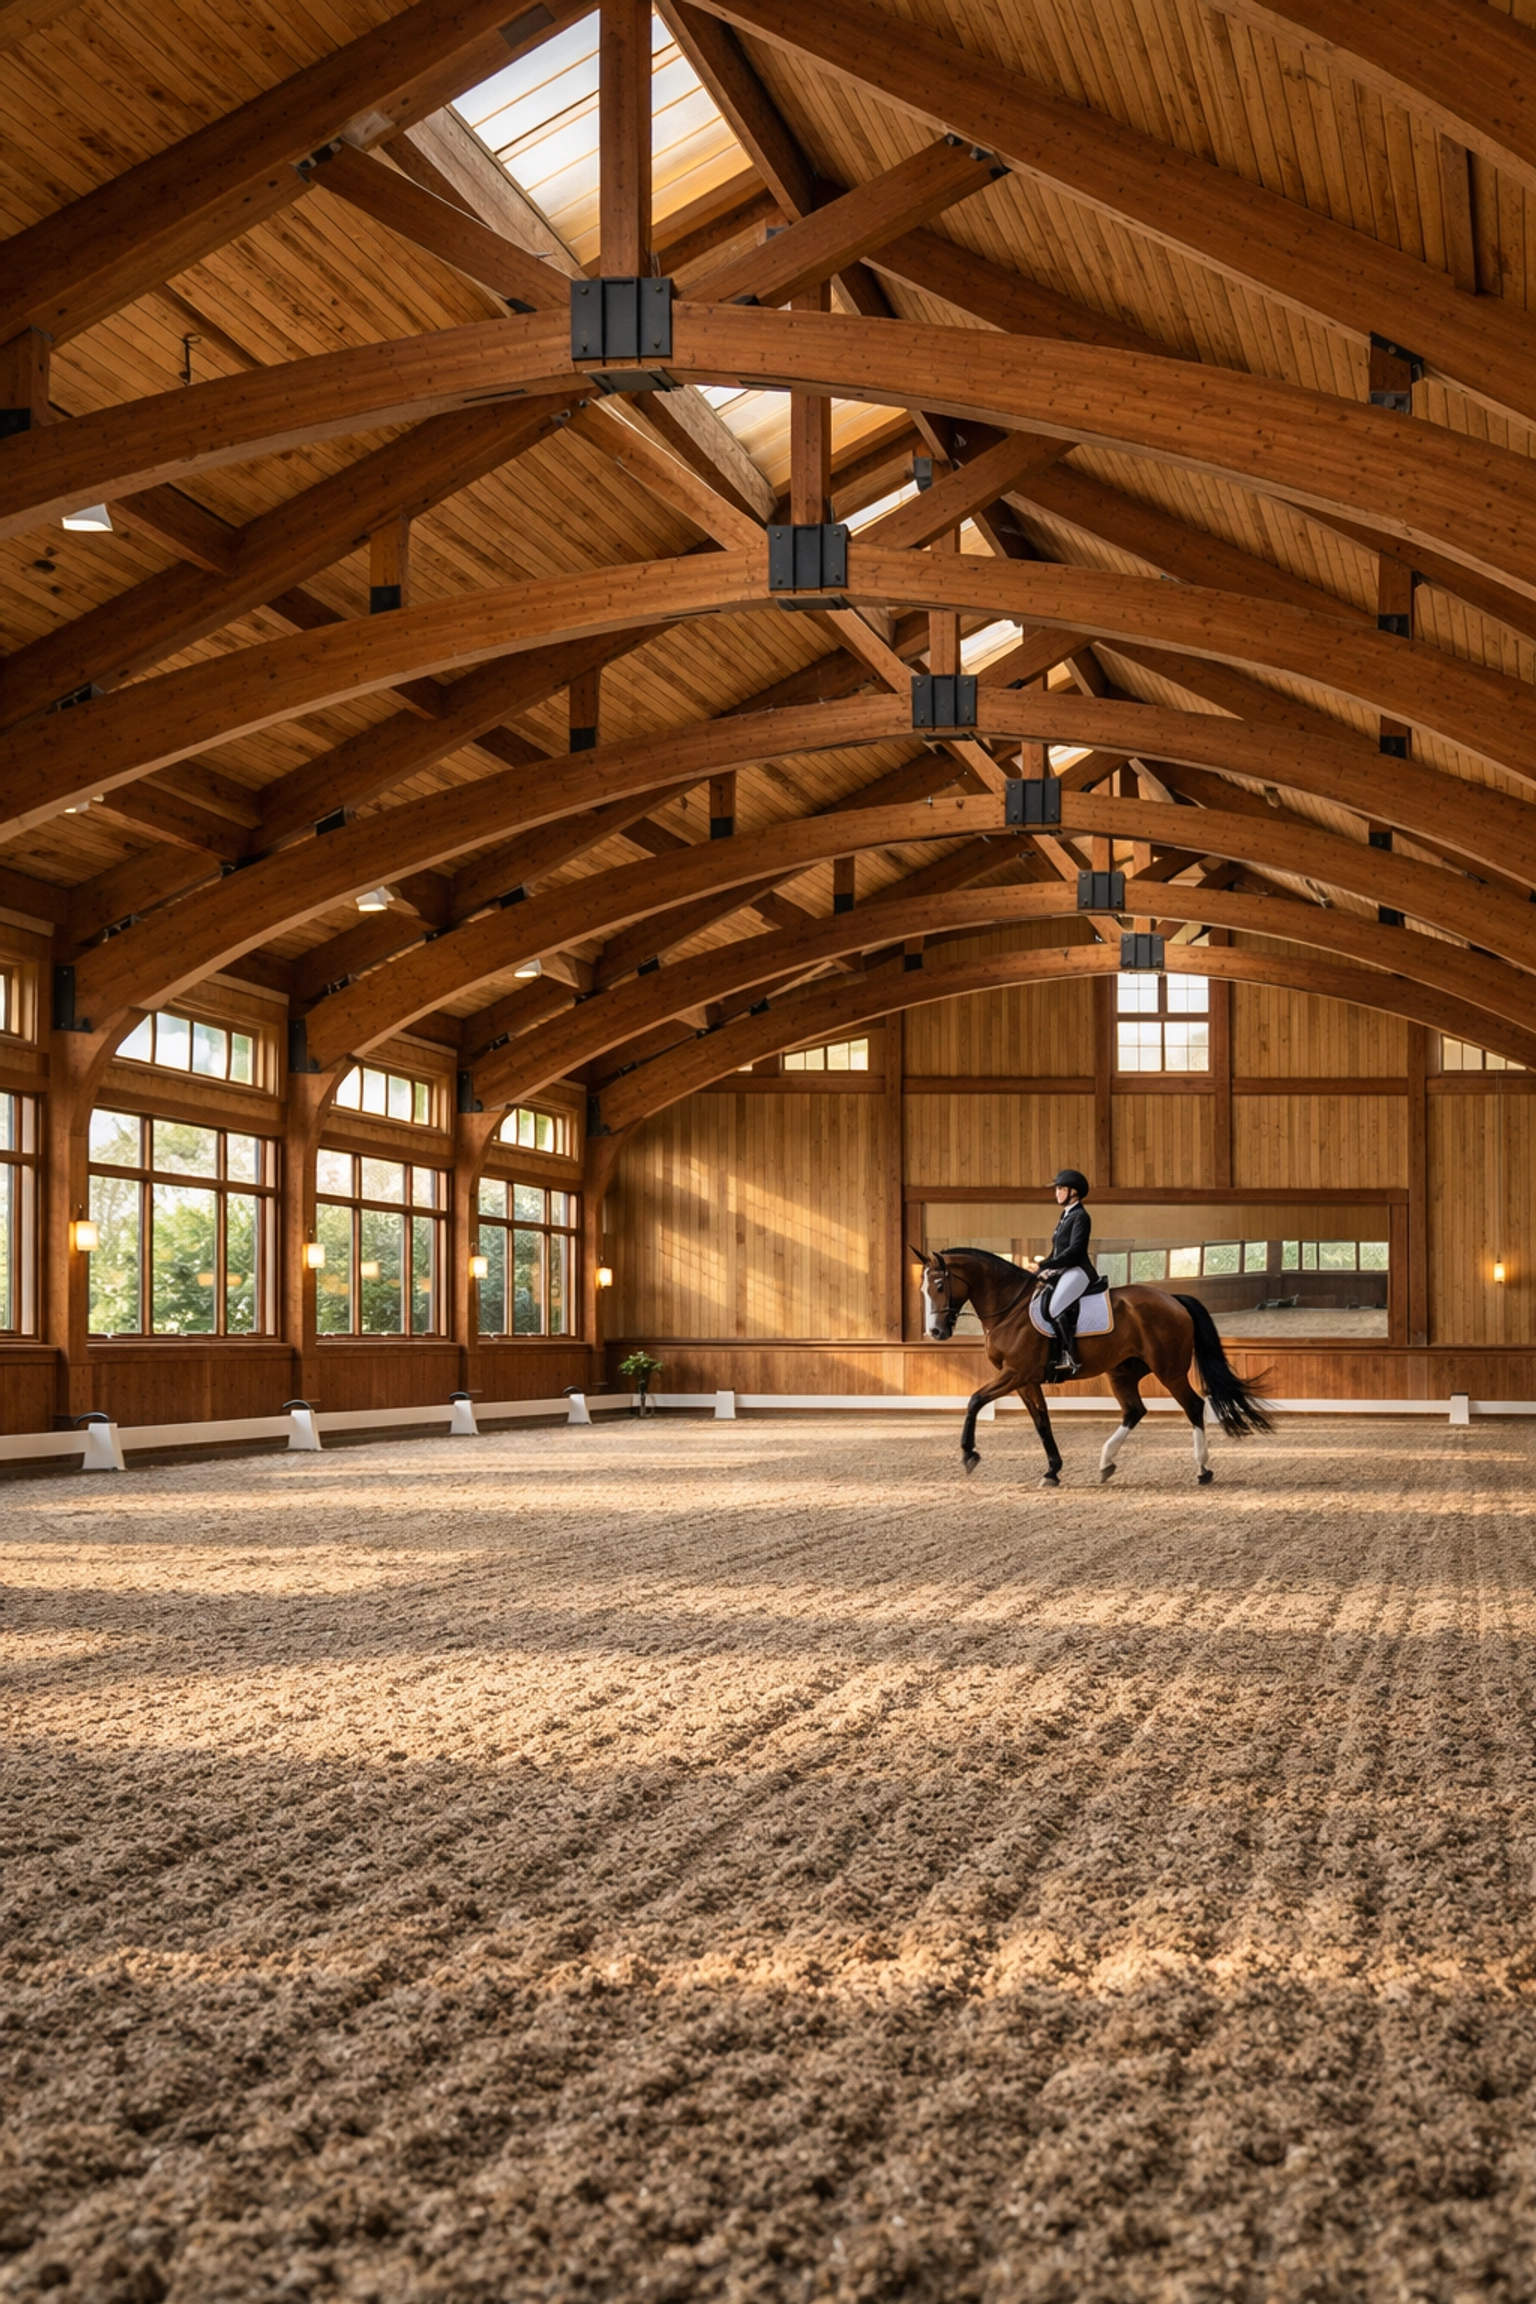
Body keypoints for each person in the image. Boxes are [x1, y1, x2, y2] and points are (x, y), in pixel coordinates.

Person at [1024, 1168, 1097, 1378]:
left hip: (1078, 1270)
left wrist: (1046, 1266)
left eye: (1060, 1188)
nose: (1057, 1193)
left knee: (1055, 1307)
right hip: (1065, 1269)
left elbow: (1074, 1251)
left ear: (1073, 1192)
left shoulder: (1081, 1216)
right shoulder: (1065, 1216)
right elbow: (1057, 1251)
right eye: (1057, 1189)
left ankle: (1069, 1355)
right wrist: (1046, 1267)